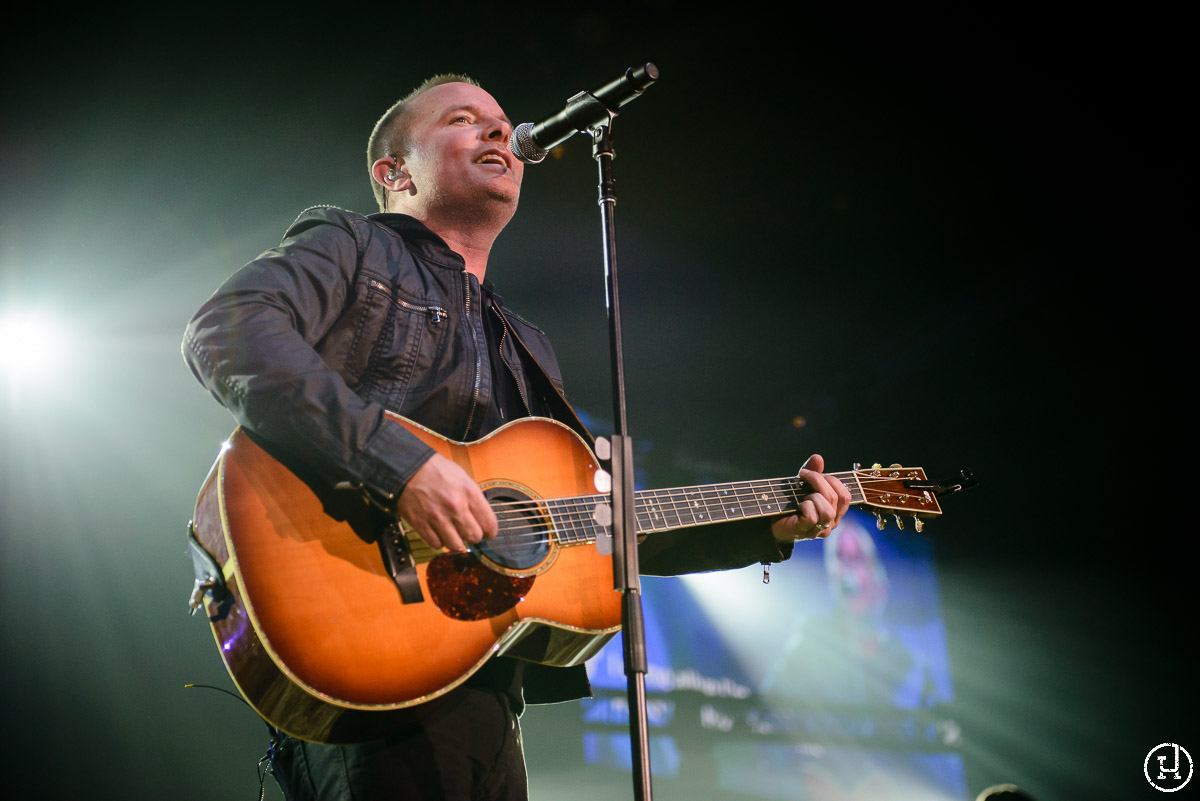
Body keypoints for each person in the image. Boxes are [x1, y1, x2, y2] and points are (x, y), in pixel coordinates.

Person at [183, 74, 851, 801]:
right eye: (465, 121)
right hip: (362, 647)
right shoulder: (354, 247)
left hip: (486, 685)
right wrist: (401, 467)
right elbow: (229, 330)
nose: (500, 133)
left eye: (502, 123)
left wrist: (768, 525)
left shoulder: (524, 341)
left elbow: (592, 529)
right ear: (394, 172)